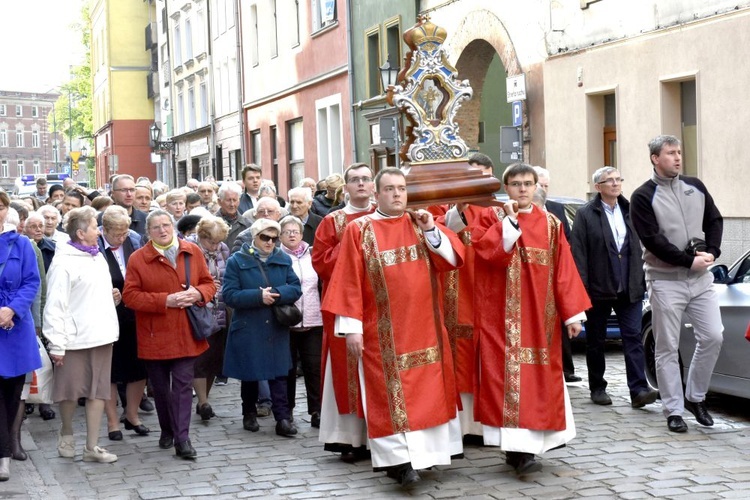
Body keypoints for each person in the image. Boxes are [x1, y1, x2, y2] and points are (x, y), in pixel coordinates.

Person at [322, 167, 465, 488]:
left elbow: (451, 260)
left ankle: (426, 456)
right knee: (387, 397)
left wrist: (431, 229)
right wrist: (352, 328)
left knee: (427, 395)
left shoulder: (421, 223)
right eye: (389, 189)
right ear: (376, 193)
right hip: (380, 332)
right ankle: (398, 463)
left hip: (425, 327)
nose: (397, 194)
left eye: (401, 188)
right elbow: (347, 282)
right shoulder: (359, 230)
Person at [471, 163, 591, 475]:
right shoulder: (490, 216)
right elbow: (487, 255)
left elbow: (564, 270)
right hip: (500, 316)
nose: (522, 189)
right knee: (505, 380)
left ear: (536, 185)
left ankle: (534, 444)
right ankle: (515, 448)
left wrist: (572, 316)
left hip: (539, 318)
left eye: (528, 183)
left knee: (538, 381)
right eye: (516, 184)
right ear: (506, 187)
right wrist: (509, 223)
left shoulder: (551, 224)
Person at [630, 135, 723, 433]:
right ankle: (673, 410)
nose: (678, 157)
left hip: (700, 279)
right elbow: (652, 240)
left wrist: (713, 251)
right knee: (667, 346)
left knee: (713, 336)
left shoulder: (695, 186)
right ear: (655, 158)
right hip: (664, 280)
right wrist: (686, 261)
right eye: (671, 153)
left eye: (680, 152)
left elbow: (715, 220)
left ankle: (695, 397)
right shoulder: (643, 196)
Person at [123, 209, 216, 459]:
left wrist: (198, 294)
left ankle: (182, 439)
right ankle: (167, 428)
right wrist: (166, 301)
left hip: (187, 332)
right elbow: (130, 296)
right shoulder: (138, 258)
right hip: (155, 334)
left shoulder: (191, 250)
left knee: (183, 386)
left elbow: (209, 283)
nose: (162, 230)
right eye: (156, 227)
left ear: (173, 227)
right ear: (148, 232)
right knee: (162, 389)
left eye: (166, 225)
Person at [570, 167, 658, 408]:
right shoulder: (586, 214)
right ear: (598, 187)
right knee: (596, 340)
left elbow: (641, 247)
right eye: (609, 181)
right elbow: (579, 253)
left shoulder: (630, 210)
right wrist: (582, 289)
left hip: (629, 287)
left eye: (619, 179)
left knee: (632, 337)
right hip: (598, 288)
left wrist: (642, 280)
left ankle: (638, 390)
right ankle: (597, 387)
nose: (616, 184)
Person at [43, 206, 120, 464]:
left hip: (102, 334)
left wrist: (113, 299)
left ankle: (92, 446)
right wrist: (56, 343)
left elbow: (95, 294)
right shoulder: (63, 261)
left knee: (98, 391)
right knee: (69, 392)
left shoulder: (97, 257)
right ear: (80, 232)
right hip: (73, 338)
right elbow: (55, 303)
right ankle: (66, 433)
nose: (99, 230)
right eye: (94, 226)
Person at [313, 162, 376, 463]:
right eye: (355, 180)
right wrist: (349, 245)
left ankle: (381, 433)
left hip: (379, 303)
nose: (361, 184)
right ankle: (349, 438)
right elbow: (321, 262)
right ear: (346, 187)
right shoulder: (333, 221)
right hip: (345, 303)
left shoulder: (384, 218)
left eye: (366, 179)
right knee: (347, 368)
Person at [222, 219, 302, 437]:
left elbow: (295, 288)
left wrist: (275, 293)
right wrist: (258, 296)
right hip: (249, 324)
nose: (269, 242)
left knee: (279, 373)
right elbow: (228, 295)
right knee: (250, 372)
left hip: (275, 326)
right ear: (254, 237)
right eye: (265, 238)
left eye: (274, 239)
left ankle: (282, 419)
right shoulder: (237, 260)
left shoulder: (283, 259)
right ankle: (248, 412)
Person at [436, 154, 496, 439]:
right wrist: (455, 213)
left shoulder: (498, 209)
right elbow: (436, 231)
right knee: (457, 352)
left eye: (483, 174)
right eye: (472, 174)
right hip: (452, 290)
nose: (477, 180)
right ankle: (461, 424)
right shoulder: (445, 205)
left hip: (486, 292)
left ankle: (486, 421)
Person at [97, 206, 150, 442]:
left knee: (139, 367)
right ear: (104, 230)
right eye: (117, 233)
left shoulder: (135, 240)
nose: (121, 237)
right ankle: (111, 422)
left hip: (135, 314)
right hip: (107, 315)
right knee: (111, 370)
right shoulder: (95, 247)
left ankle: (132, 415)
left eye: (124, 232)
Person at [0, 191, 42, 481]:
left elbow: (32, 281)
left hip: (15, 327)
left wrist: (11, 310)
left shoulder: (22, 243)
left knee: (13, 391)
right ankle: (3, 453)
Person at [533, 166, 581, 384]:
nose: (543, 189)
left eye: (545, 186)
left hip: (553, 277)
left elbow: (567, 243)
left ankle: (565, 369)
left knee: (558, 330)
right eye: (539, 185)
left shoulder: (555, 213)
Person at [279, 215, 323, 428]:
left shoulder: (312, 253)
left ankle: (317, 411)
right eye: (287, 232)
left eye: (295, 231)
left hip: (314, 319)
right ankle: (286, 412)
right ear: (280, 235)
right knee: (287, 369)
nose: (292, 235)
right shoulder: (278, 256)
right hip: (287, 321)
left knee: (314, 368)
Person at [187, 216, 230, 421]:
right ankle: (203, 402)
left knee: (214, 358)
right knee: (200, 359)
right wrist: (203, 286)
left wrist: (222, 284)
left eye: (218, 241)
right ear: (201, 236)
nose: (214, 246)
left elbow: (227, 273)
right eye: (210, 242)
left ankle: (205, 398)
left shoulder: (223, 249)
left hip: (219, 308)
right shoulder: (189, 250)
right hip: (198, 310)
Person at [216, 182, 251, 252]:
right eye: (228, 200)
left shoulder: (248, 224)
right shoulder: (211, 223)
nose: (232, 204)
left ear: (239, 201)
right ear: (219, 201)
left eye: (235, 200)